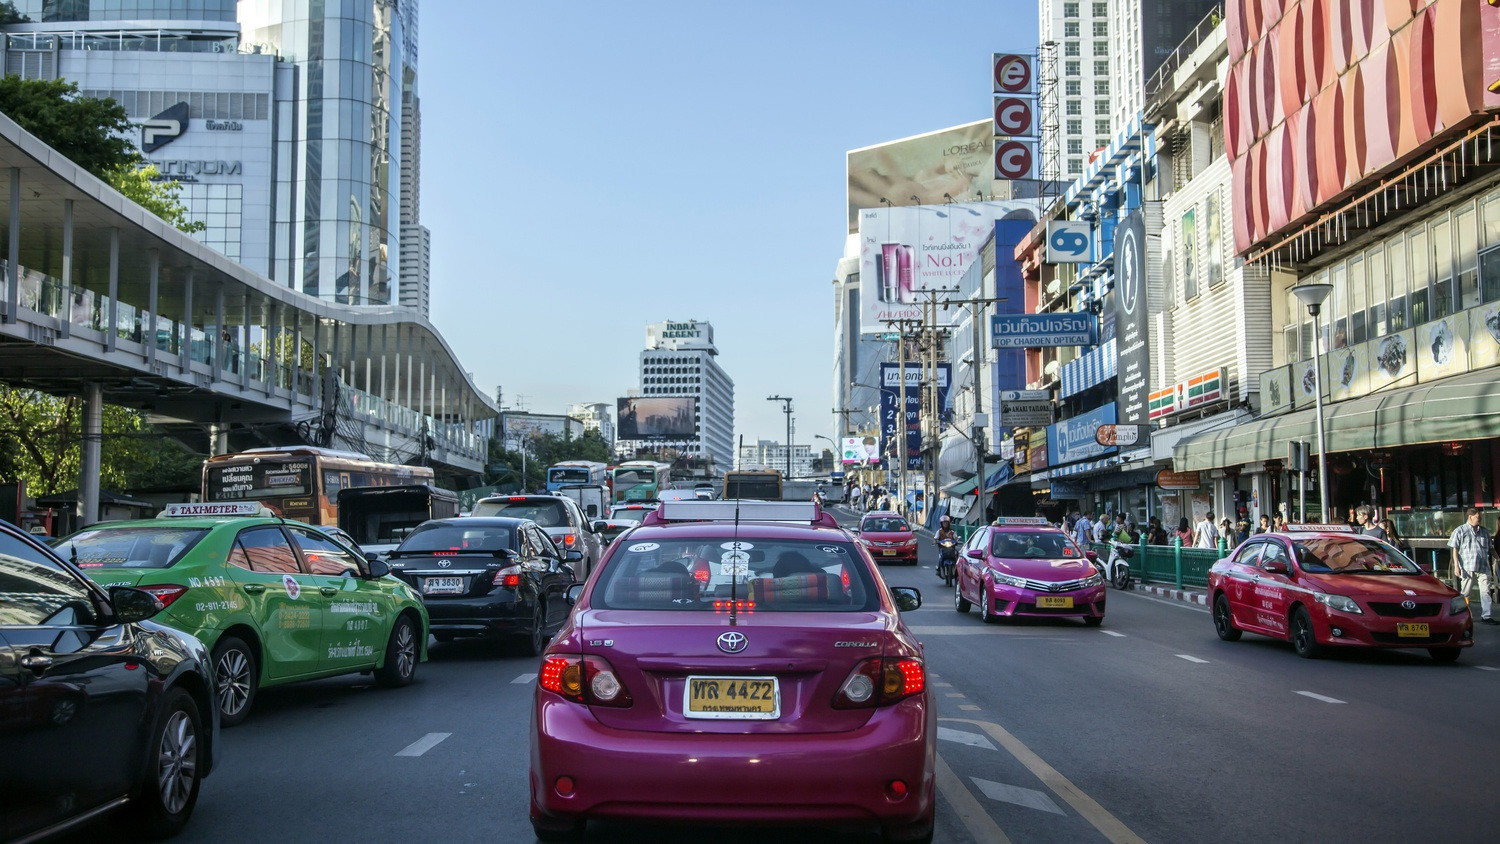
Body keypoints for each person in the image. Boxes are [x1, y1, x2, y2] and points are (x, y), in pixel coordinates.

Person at [1448, 508, 1495, 625]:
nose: (1480, 519)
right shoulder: (1460, 530)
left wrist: (1498, 558)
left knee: (1486, 591)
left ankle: (1487, 616)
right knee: (1465, 592)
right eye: (1478, 517)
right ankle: (1462, 615)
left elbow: (1491, 548)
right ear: (1470, 517)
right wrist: (1456, 566)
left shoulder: (1484, 531)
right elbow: (1455, 549)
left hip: (1483, 565)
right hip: (1467, 566)